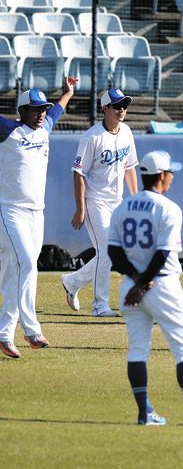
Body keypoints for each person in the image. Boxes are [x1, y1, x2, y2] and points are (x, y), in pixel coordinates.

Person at [107, 150, 183, 427]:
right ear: (163, 176)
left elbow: (114, 253)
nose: (172, 178)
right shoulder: (168, 208)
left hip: (130, 285)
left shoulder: (123, 206)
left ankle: (144, 413)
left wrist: (134, 281)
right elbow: (163, 254)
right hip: (161, 285)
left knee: (137, 350)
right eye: (171, 173)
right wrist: (143, 283)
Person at [0, 80, 76, 359]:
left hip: (36, 212)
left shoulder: (44, 128)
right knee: (27, 263)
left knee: (15, 273)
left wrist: (67, 93)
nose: (41, 113)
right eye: (35, 109)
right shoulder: (9, 130)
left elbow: (57, 110)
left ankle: (4, 334)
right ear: (23, 110)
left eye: (42, 108)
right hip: (9, 210)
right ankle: (31, 330)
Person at [63, 87, 139, 318]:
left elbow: (130, 167)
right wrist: (80, 208)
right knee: (107, 252)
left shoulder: (126, 131)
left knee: (115, 252)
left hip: (117, 201)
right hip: (96, 202)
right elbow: (78, 173)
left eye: (124, 105)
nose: (122, 109)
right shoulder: (91, 137)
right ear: (105, 108)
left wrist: (135, 200)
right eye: (117, 105)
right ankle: (100, 306)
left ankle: (72, 282)